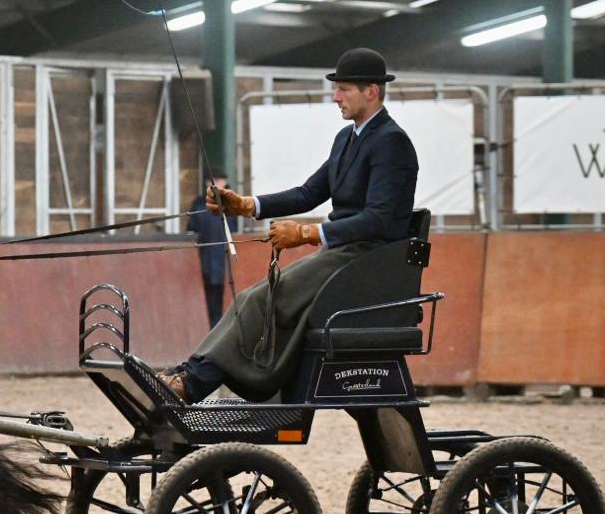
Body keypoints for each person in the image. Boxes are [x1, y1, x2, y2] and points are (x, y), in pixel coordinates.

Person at [165, 47, 419, 404]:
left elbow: (378, 218)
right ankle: (191, 373)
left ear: (371, 91)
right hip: (342, 254)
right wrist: (248, 205)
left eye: (344, 89)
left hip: (366, 259)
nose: (336, 97)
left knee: (259, 300)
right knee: (253, 298)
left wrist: (306, 233)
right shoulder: (347, 139)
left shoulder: (392, 142)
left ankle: (193, 384)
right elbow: (308, 193)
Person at [186, 175, 237, 327]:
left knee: (227, 300)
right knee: (210, 301)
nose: (216, 183)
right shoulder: (199, 204)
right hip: (206, 260)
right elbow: (191, 231)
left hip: (225, 260)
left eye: (220, 180)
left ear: (226, 182)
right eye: (213, 180)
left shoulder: (233, 203)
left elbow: (237, 233)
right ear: (207, 183)